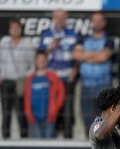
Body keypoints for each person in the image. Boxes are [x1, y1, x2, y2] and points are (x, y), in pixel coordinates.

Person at [39, 9, 78, 139]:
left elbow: (78, 56)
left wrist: (75, 69)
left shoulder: (72, 34)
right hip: (51, 79)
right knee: (52, 109)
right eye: (57, 17)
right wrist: (50, 48)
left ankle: (68, 138)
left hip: (67, 78)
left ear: (66, 19)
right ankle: (51, 138)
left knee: (68, 110)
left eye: (62, 17)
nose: (60, 20)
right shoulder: (46, 35)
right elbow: (39, 58)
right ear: (53, 19)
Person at [73, 12, 114, 136]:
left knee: (104, 122)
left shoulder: (109, 39)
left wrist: (85, 56)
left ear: (104, 22)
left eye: (99, 20)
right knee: (87, 120)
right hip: (86, 85)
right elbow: (75, 55)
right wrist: (95, 54)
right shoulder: (83, 38)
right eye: (94, 20)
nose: (96, 23)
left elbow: (103, 57)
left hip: (103, 85)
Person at [0, 17, 34, 139]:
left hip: (19, 83)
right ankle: (5, 139)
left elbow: (32, 65)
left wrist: (26, 79)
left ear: (21, 29)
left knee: (21, 114)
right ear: (9, 30)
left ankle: (24, 139)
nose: (15, 30)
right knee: (6, 114)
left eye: (17, 27)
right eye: (12, 28)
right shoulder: (4, 42)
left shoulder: (27, 43)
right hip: (5, 82)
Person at [23, 50, 65, 138]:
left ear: (47, 61)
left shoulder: (53, 77)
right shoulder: (30, 79)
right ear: (35, 61)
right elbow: (26, 98)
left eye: (43, 60)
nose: (41, 62)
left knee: (49, 145)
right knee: (36, 146)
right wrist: (28, 113)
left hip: (49, 118)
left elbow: (61, 93)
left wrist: (55, 108)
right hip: (34, 118)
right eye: (39, 60)